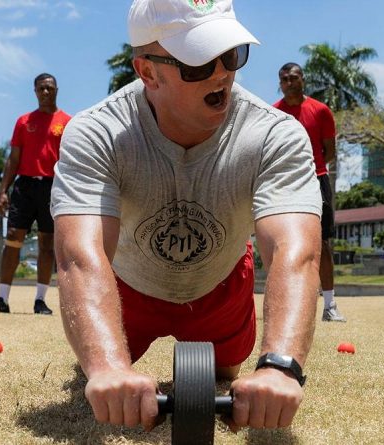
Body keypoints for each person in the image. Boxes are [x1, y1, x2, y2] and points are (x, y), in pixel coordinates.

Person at [51, 0, 322, 433]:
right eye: (197, 64)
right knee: (98, 383)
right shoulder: (96, 132)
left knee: (225, 378)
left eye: (231, 54)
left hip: (221, 289)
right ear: (148, 73)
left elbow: (295, 250)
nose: (221, 74)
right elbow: (79, 255)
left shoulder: (276, 134)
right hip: (127, 293)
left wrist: (279, 366)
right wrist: (106, 367)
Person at [0, 73, 71, 315]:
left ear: (56, 90)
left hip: (52, 187)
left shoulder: (67, 122)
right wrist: (3, 191)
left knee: (46, 245)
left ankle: (40, 300)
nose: (45, 92)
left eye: (49, 88)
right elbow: (13, 159)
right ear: (35, 91)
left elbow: (70, 161)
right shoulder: (23, 121)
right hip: (24, 186)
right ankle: (2, 300)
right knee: (13, 239)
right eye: (41, 88)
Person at [274, 63, 346, 322]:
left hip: (316, 178)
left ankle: (330, 305)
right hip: (286, 183)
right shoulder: (274, 113)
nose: (289, 82)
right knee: (284, 242)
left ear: (303, 79)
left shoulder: (321, 111)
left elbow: (330, 151)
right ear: (279, 83)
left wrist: (311, 168)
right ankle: (288, 304)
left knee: (323, 243)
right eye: (284, 79)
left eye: (294, 77)